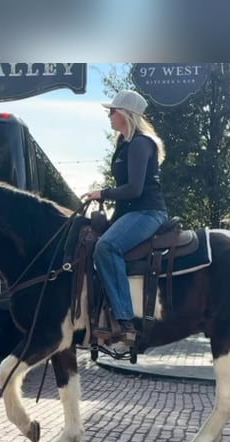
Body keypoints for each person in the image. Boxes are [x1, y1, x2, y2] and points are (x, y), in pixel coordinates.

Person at [82, 89, 168, 354]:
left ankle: (124, 321)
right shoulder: (125, 143)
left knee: (106, 247)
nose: (109, 115)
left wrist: (102, 193)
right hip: (131, 213)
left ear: (125, 114)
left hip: (148, 212)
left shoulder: (141, 143)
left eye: (112, 111)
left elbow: (134, 190)